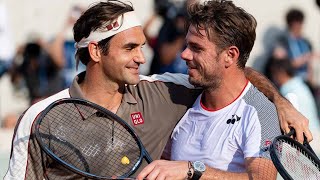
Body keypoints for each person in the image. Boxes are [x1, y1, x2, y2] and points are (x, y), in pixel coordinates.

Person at [4, 0, 312, 179]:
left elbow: (231, 76)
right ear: (96, 52)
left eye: (142, 46)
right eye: (130, 47)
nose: (142, 56)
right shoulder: (41, 118)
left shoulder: (162, 91)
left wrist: (279, 101)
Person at [137, 1, 282, 179]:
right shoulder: (182, 97)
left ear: (230, 55)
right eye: (187, 45)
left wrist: (193, 169)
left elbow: (262, 178)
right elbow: (167, 167)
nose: (184, 54)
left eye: (196, 48)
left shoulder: (260, 112)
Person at [269, 56, 320, 157]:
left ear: (281, 73)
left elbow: (292, 121)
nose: (274, 78)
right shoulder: (300, 84)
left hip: (307, 142)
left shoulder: (288, 91)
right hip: (315, 137)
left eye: (274, 74)